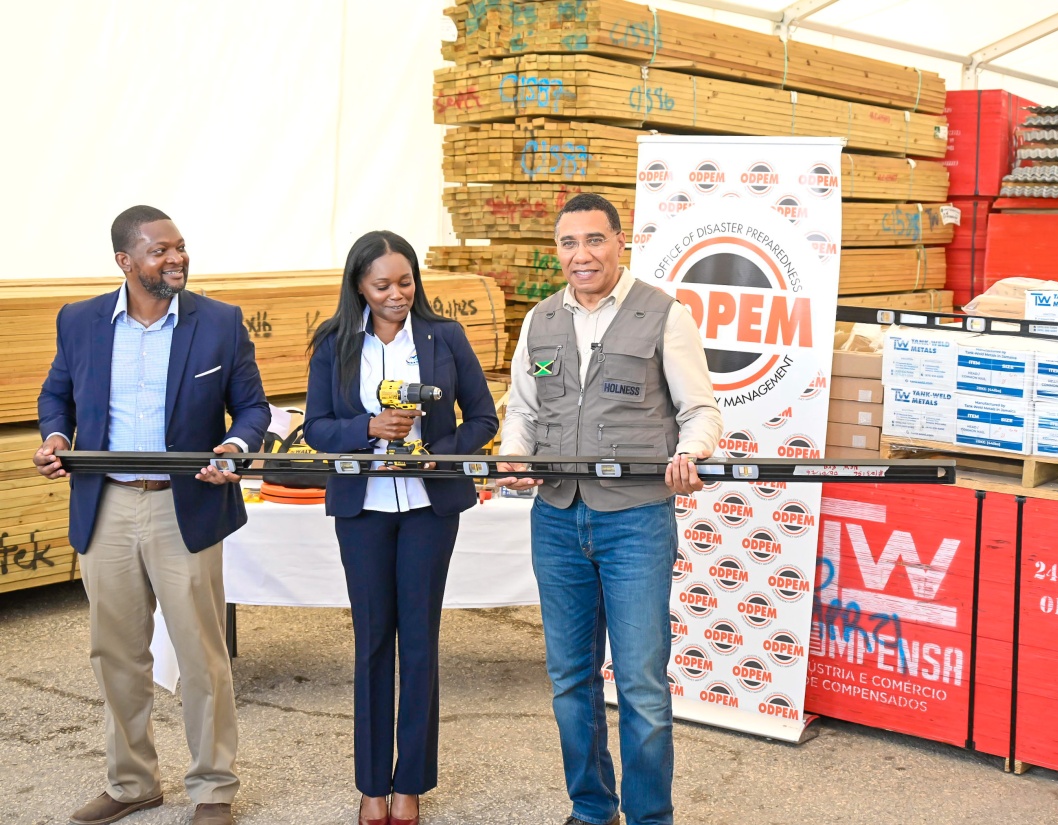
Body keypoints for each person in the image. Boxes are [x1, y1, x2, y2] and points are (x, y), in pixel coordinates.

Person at [34, 205, 270, 825]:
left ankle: (213, 789)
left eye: (181, 247)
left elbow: (252, 409)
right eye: (160, 250)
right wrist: (57, 437)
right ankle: (132, 781)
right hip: (106, 503)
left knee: (201, 655)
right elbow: (56, 393)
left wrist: (235, 449)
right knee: (115, 653)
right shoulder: (80, 320)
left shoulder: (218, 322)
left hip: (184, 506)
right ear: (125, 261)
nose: (176, 258)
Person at [497, 194, 722, 825]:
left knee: (642, 686)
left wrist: (691, 450)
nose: (581, 255)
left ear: (620, 242)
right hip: (557, 516)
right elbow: (523, 409)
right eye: (569, 244)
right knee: (570, 681)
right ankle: (592, 810)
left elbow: (699, 409)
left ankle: (650, 817)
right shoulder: (539, 321)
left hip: (636, 522)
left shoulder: (663, 315)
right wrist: (515, 453)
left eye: (593, 240)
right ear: (558, 252)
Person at [304, 230, 498, 825]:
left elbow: (483, 417)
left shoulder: (445, 337)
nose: (396, 295)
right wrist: (368, 428)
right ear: (358, 285)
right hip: (361, 510)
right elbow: (316, 428)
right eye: (382, 284)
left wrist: (440, 451)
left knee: (418, 643)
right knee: (371, 644)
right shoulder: (334, 343)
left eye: (406, 282)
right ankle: (371, 786)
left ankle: (410, 783)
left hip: (427, 510)